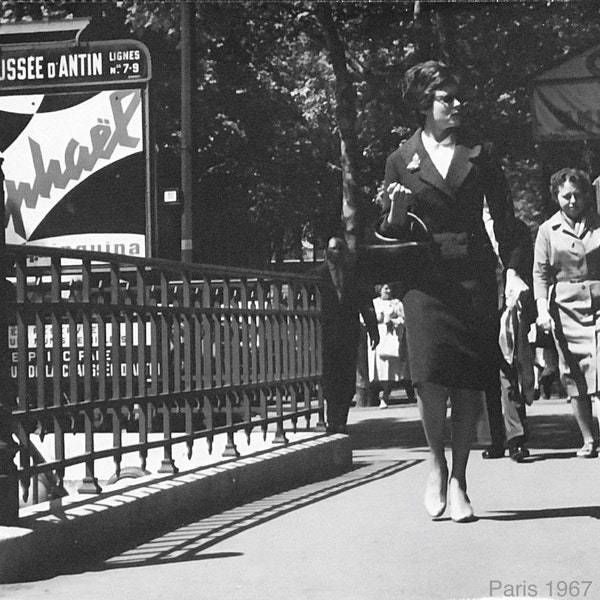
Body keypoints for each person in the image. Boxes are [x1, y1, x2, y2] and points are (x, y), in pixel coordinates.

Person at [379, 60, 531, 522]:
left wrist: (516, 271)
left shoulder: (480, 153)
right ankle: (436, 462)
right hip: (423, 281)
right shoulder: (400, 159)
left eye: (458, 97)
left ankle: (461, 478)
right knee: (428, 378)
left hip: (473, 276)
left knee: (467, 380)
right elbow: (387, 234)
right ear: (426, 104)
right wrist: (394, 214)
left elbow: (506, 220)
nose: (457, 105)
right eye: (447, 98)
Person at [533, 167, 600, 458]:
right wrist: (542, 311)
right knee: (574, 377)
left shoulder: (598, 223)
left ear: (587, 196)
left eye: (577, 195)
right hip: (565, 310)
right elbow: (541, 275)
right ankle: (588, 438)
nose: (572, 201)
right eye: (566, 196)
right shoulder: (548, 230)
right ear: (556, 197)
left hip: (598, 304)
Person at [312, 237, 380, 433]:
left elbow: (366, 304)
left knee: (347, 379)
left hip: (348, 335)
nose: (337, 253)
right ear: (326, 251)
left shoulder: (354, 275)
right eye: (333, 249)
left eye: (340, 249)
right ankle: (332, 420)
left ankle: (342, 419)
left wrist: (373, 329)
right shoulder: (316, 275)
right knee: (330, 379)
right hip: (324, 336)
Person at [368, 283, 413, 408]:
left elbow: (404, 319)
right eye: (385, 288)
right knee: (379, 369)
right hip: (379, 339)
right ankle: (376, 395)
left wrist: (394, 321)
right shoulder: (374, 303)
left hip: (393, 339)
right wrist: (379, 319)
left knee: (392, 368)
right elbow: (365, 319)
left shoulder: (397, 303)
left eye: (390, 289)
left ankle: (386, 396)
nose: (388, 291)